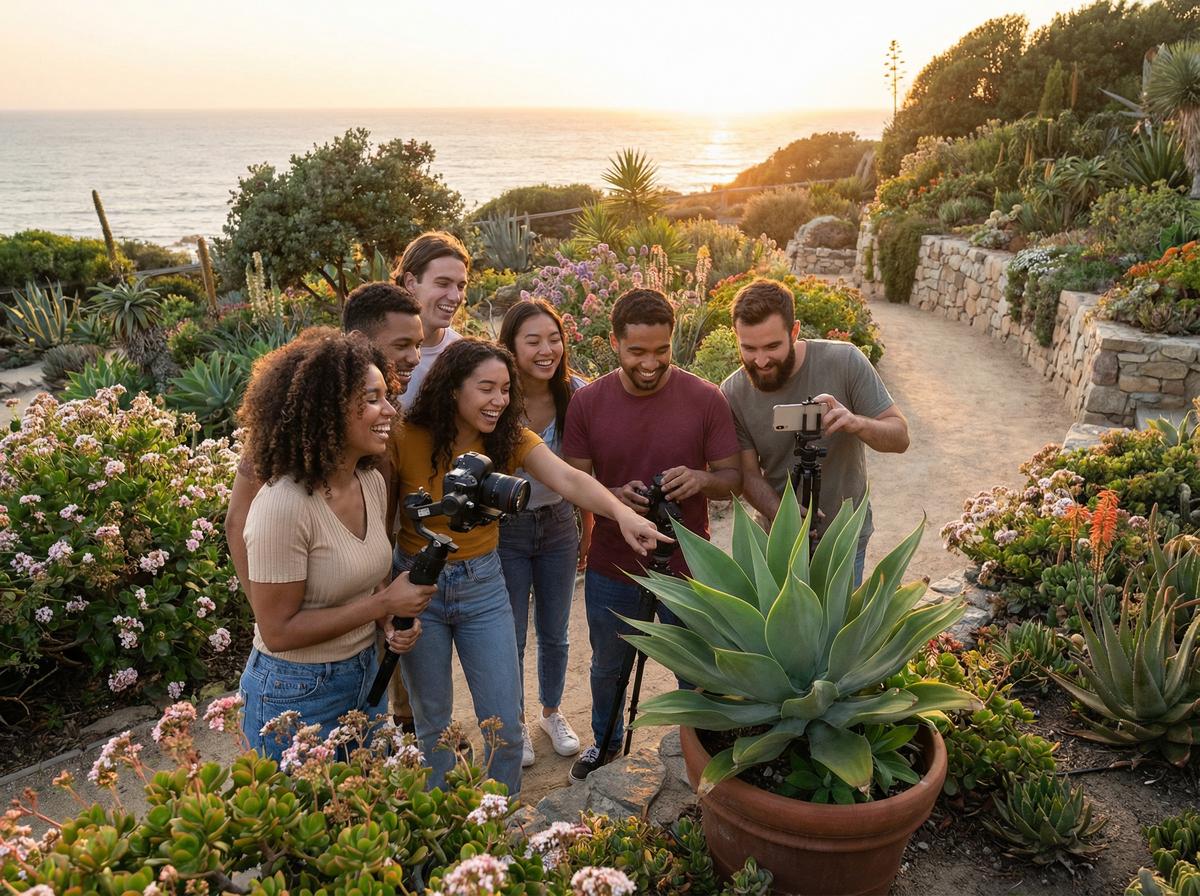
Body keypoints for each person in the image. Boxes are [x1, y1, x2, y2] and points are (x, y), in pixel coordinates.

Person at [390, 337, 668, 796]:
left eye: (505, 389)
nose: (499, 400)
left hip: (483, 584)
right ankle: (438, 828)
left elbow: (568, 477)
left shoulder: (507, 437)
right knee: (433, 724)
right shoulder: (406, 436)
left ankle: (500, 824)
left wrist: (623, 514)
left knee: (503, 724)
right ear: (452, 389)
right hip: (419, 585)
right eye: (486, 389)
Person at [561, 287, 742, 783]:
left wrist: (702, 479)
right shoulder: (588, 402)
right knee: (607, 667)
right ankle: (606, 744)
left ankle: (700, 750)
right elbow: (574, 484)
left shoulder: (706, 398)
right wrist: (614, 495)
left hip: (688, 565)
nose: (650, 363)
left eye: (661, 351)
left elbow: (732, 480)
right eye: (637, 351)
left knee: (696, 668)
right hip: (612, 564)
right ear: (614, 343)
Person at [226, 281, 425, 731]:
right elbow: (277, 631)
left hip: (362, 674)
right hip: (296, 690)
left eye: (386, 396)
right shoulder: (283, 503)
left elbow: (368, 585)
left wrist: (388, 621)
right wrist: (381, 605)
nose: (390, 411)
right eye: (372, 400)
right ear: (327, 411)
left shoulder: (369, 482)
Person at [720, 277, 909, 587]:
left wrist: (855, 422)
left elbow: (900, 437)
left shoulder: (844, 361)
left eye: (772, 346)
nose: (761, 360)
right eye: (749, 348)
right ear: (736, 337)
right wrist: (784, 517)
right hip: (778, 540)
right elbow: (748, 475)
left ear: (794, 331)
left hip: (845, 537)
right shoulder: (732, 392)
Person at [497, 299, 592, 768]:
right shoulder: (495, 394)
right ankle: (513, 722)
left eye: (553, 338)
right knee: (509, 634)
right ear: (511, 346)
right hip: (505, 530)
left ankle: (551, 712)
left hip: (557, 525)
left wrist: (587, 527)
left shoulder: (576, 392)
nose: (546, 349)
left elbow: (584, 471)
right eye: (532, 340)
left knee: (555, 632)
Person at [393, 231, 470, 409]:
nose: (455, 297)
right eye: (443, 284)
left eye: (460, 286)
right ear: (411, 283)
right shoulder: (377, 347)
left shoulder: (462, 354)